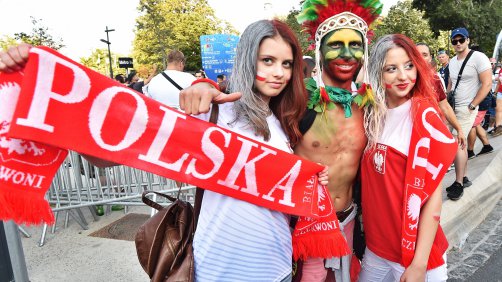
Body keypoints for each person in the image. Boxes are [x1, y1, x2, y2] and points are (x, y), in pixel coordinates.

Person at [0, 20, 328, 281]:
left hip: (277, 265)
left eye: (287, 64)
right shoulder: (214, 112)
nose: (279, 73)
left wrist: (313, 181)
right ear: (246, 59)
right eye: (267, 60)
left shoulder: (284, 121)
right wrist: (39, 74)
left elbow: (280, 191)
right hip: (217, 269)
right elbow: (105, 154)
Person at [180, 0, 384, 280]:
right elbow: (238, 108)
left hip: (343, 221)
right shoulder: (296, 107)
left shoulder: (369, 106)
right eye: (336, 44)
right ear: (319, 50)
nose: (347, 54)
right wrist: (203, 85)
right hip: (295, 229)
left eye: (286, 64)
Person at [359, 34, 455, 282]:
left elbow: (433, 198)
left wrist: (419, 264)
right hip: (376, 249)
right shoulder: (369, 115)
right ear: (377, 72)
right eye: (391, 69)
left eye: (409, 65)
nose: (403, 76)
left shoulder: (425, 116)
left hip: (416, 254)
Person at [446, 27, 492, 201]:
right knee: (457, 142)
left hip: (467, 108)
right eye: (454, 41)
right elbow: (451, 84)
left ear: (468, 40)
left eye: (461, 40)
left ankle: (458, 183)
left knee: (458, 143)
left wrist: (473, 105)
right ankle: (463, 177)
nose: (458, 43)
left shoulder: (478, 58)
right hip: (453, 107)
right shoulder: (452, 61)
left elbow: (487, 84)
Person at [416, 43, 466, 149]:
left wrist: (459, 129)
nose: (420, 58)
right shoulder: (404, 79)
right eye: (417, 54)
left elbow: (445, 107)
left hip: (432, 130)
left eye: (424, 54)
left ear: (430, 58)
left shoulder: (434, 79)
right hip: (413, 134)